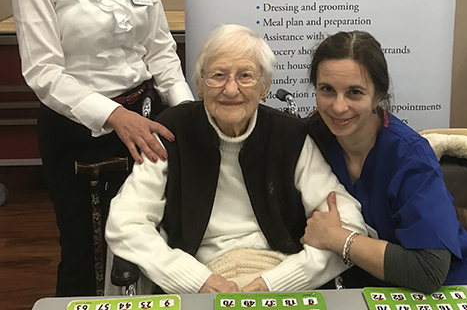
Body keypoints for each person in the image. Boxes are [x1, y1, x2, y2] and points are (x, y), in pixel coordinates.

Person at [11, 0, 194, 296]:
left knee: (150, 242)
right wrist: (114, 116)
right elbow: (44, 72)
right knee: (87, 251)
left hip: (147, 117)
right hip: (77, 130)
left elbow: (158, 49)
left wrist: (189, 115)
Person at [106, 24, 368, 293]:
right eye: (218, 76)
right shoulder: (173, 131)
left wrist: (279, 282)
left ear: (264, 86)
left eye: (245, 76)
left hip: (280, 276)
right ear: (198, 85)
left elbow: (347, 222)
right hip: (197, 275)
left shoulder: (289, 134)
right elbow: (125, 221)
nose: (231, 90)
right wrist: (194, 280)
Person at [303, 30, 467, 292]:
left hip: (450, 290)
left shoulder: (410, 156)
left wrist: (337, 238)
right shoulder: (311, 138)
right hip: (374, 290)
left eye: (355, 92)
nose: (338, 107)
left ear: (378, 95)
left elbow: (429, 270)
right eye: (327, 90)